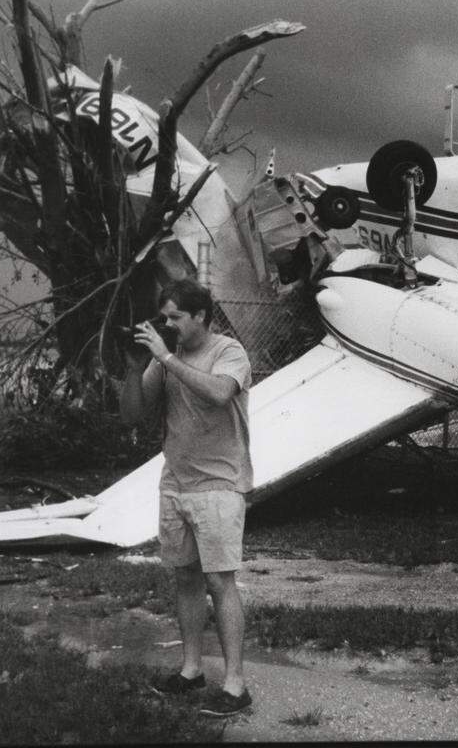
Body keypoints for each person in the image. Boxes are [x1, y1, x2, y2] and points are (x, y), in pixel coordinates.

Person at [120, 278, 254, 718]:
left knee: (220, 580)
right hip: (175, 482)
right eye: (166, 317)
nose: (170, 325)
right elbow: (133, 415)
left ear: (200, 316)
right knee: (185, 578)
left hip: (219, 483)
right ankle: (191, 670)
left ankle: (235, 685)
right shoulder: (168, 359)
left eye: (177, 317)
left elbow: (218, 392)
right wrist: (132, 365)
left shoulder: (228, 351)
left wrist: (163, 357)